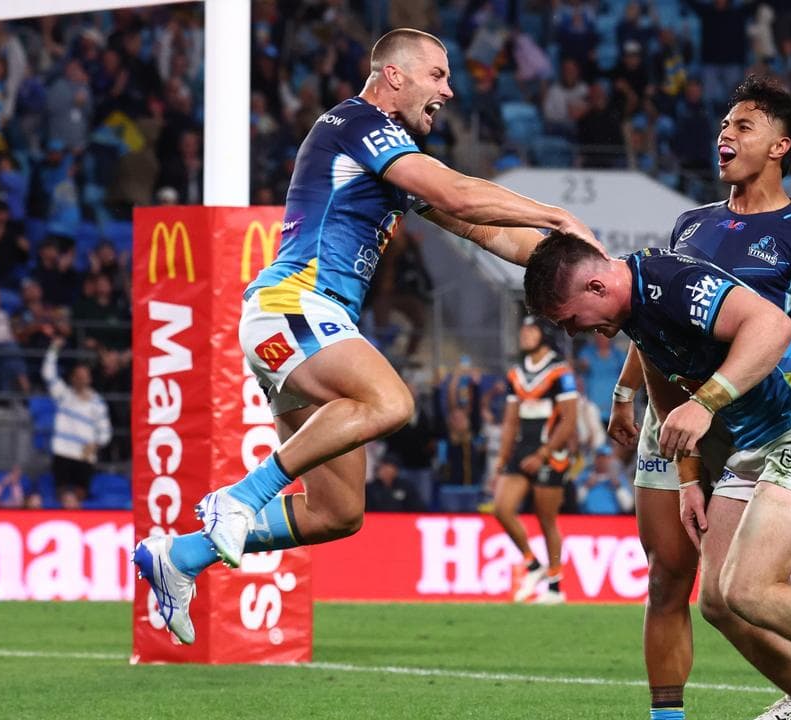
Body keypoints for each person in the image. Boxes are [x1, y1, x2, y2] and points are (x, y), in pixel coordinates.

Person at [134, 28, 597, 645]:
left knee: (338, 513)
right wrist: (555, 212)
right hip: (294, 305)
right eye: (438, 75)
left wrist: (575, 261)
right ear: (395, 76)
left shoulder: (394, 158)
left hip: (307, 326)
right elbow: (459, 191)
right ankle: (240, 497)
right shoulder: (355, 121)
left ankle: (181, 558)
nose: (449, 91)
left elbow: (486, 231)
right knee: (391, 402)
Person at [603, 76, 791, 720]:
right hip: (689, 420)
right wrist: (629, 391)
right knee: (696, 590)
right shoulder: (692, 225)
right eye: (723, 126)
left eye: (743, 126)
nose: (725, 136)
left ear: (779, 146)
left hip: (767, 421)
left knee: (749, 588)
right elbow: (655, 326)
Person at [525, 232, 791, 720]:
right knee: (719, 604)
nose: (575, 332)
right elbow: (665, 391)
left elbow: (772, 327)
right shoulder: (634, 313)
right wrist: (688, 480)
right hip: (756, 446)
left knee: (751, 588)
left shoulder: (673, 282)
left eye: (570, 320)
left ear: (597, 287)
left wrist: (706, 403)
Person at [493, 316, 578, 605]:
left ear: (543, 334)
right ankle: (532, 564)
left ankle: (555, 586)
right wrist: (502, 458)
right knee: (501, 509)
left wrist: (542, 454)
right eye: (523, 330)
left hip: (549, 453)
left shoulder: (559, 371)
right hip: (521, 450)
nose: (524, 335)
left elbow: (569, 421)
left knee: (546, 521)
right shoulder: (516, 373)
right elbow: (509, 422)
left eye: (530, 330)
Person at [42, 335, 111, 509]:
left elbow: (105, 432)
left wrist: (95, 445)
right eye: (78, 376)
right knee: (61, 495)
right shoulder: (64, 396)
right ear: (73, 378)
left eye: (85, 376)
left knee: (81, 496)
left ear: (89, 379)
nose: (82, 379)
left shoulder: (97, 402)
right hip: (63, 452)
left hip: (84, 456)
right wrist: (53, 349)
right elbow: (47, 373)